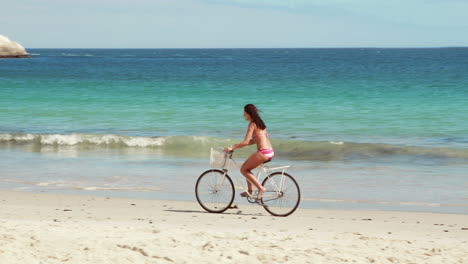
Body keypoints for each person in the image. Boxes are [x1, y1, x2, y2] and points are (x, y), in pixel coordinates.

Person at [225, 104, 274, 200]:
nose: (243, 115)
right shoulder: (260, 123)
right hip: (270, 151)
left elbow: (246, 141)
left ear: (248, 113)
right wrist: (238, 145)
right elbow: (255, 140)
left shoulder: (252, 124)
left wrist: (232, 148)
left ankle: (260, 188)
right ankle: (250, 191)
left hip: (263, 152)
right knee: (247, 167)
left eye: (244, 112)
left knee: (244, 169)